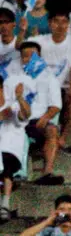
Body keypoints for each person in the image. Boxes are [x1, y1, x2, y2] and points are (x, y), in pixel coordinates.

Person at [27, 11, 71, 148]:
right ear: (50, 24)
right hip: (41, 87)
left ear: (68, 24)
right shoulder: (40, 40)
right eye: (56, 21)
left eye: (64, 22)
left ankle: (63, 137)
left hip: (64, 87)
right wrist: (24, 32)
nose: (60, 25)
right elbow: (22, 50)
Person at [16, 42, 64, 186]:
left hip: (37, 122)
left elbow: (56, 105)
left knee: (52, 129)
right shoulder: (13, 78)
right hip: (16, 120)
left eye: (33, 56)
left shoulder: (50, 77)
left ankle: (47, 172)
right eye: (25, 56)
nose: (29, 59)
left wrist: (45, 117)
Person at [0, 73, 32, 222]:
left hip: (10, 151)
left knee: (5, 163)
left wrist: (19, 98)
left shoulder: (12, 105)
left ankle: (4, 205)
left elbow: (25, 115)